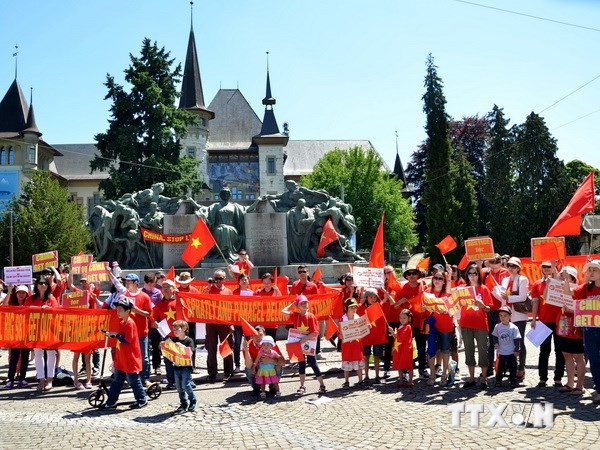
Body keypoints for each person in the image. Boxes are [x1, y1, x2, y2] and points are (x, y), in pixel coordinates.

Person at [100, 297, 148, 410]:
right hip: (122, 358)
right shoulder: (122, 322)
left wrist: (115, 335)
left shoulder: (130, 323)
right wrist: (113, 334)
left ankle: (142, 399)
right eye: (117, 309)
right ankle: (111, 402)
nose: (118, 312)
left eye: (120, 310)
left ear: (128, 311)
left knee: (133, 380)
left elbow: (127, 340)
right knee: (117, 380)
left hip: (130, 358)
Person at [561, 263, 595, 400]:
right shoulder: (579, 287)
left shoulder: (583, 287)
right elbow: (564, 293)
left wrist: (572, 311)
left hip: (579, 326)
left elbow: (583, 307)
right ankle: (570, 383)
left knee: (579, 356)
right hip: (565, 324)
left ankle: (580, 386)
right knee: (567, 354)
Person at [281, 295, 327, 395]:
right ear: (298, 305)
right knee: (301, 364)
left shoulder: (311, 316)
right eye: (302, 303)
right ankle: (302, 386)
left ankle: (322, 385)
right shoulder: (296, 315)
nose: (304, 305)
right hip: (299, 344)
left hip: (308, 343)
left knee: (313, 363)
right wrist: (292, 304)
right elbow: (283, 311)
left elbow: (315, 332)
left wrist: (303, 340)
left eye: (305, 302)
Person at [531, 260, 564, 387]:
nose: (546, 269)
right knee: (544, 351)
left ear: (553, 268)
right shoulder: (537, 284)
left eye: (549, 267)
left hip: (558, 321)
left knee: (559, 350)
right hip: (544, 321)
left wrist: (555, 278)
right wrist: (534, 319)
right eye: (544, 267)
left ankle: (558, 378)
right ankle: (543, 377)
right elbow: (535, 302)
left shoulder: (560, 282)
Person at [495, 257, 529, 382]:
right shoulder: (505, 279)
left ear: (518, 268)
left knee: (519, 342)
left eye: (514, 266)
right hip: (506, 314)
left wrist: (508, 298)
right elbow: (502, 296)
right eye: (509, 265)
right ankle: (509, 366)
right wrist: (497, 293)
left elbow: (523, 296)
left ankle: (521, 367)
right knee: (506, 341)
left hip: (518, 315)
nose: (511, 268)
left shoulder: (523, 279)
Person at [570, 260, 600, 404]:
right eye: (590, 270)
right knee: (594, 360)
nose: (592, 272)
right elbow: (567, 292)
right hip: (589, 330)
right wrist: (563, 277)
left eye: (595, 270)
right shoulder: (585, 289)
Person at [460, 264, 493, 390]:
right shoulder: (463, 288)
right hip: (466, 323)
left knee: (483, 351)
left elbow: (489, 308)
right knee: (469, 351)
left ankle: (484, 378)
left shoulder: (484, 289)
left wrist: (482, 305)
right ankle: (472, 378)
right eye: (470, 273)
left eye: (475, 273)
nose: (472, 276)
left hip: (480, 325)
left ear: (479, 275)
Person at [24, 277, 60, 392]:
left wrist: (49, 309)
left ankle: (49, 380)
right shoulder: (30, 299)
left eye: (45, 283)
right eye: (41, 283)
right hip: (35, 330)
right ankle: (41, 379)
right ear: (37, 285)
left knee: (51, 354)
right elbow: (25, 311)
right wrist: (36, 308)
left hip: (49, 330)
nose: (43, 285)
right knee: (38, 355)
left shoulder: (51, 298)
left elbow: (57, 312)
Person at [480, 254, 510, 377]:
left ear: (501, 264)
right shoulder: (485, 273)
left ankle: (504, 365)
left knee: (504, 338)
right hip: (489, 309)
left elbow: (509, 289)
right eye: (493, 267)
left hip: (502, 309)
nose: (495, 270)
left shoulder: (506, 273)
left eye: (497, 268)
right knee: (491, 339)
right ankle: (490, 366)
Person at [396, 266, 428, 379]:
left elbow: (428, 300)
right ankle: (405, 370)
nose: (412, 275)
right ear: (406, 276)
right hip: (407, 324)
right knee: (406, 347)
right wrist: (401, 301)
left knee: (421, 346)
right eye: (409, 274)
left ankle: (422, 369)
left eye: (414, 273)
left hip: (420, 321)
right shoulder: (403, 288)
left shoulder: (423, 286)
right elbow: (395, 305)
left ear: (418, 275)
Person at [122, 273, 153, 386]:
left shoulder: (144, 296)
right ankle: (130, 377)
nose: (127, 284)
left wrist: (136, 310)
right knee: (129, 355)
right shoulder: (123, 296)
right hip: (127, 332)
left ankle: (144, 378)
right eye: (126, 282)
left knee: (143, 356)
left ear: (136, 283)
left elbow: (149, 314)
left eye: (129, 282)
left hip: (141, 332)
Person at [205, 269, 234, 382]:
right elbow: (202, 299)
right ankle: (212, 373)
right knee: (211, 348)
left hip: (224, 323)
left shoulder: (228, 292)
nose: (218, 280)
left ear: (225, 279)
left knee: (227, 346)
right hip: (211, 323)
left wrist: (231, 324)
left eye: (220, 278)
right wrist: (208, 286)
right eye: (216, 278)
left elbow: (232, 309)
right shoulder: (209, 289)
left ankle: (228, 371)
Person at [426, 265, 453, 387]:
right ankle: (432, 374)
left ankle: (444, 375)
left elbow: (453, 307)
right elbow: (423, 308)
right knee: (431, 350)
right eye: (435, 277)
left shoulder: (447, 292)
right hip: (432, 326)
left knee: (445, 350)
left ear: (444, 281)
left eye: (440, 278)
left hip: (446, 325)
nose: (437, 280)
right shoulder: (427, 292)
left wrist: (448, 310)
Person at [242, 325, 285, 394]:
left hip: (271, 368)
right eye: (255, 335)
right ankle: (256, 387)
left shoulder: (271, 344)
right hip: (257, 369)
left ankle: (273, 386)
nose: (258, 337)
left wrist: (270, 361)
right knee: (248, 368)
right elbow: (248, 365)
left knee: (279, 366)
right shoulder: (247, 345)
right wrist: (246, 350)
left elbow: (282, 362)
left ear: (265, 335)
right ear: (251, 337)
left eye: (260, 335)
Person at [151, 279, 179, 386]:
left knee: (180, 359)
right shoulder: (158, 305)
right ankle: (171, 381)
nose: (166, 289)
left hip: (179, 335)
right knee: (168, 360)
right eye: (164, 287)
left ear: (173, 289)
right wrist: (156, 323)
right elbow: (155, 319)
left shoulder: (179, 301)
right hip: (167, 335)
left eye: (168, 286)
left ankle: (183, 380)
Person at [358, 288, 388, 384]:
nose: (373, 299)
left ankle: (377, 376)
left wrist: (385, 294)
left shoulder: (379, 306)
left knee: (376, 357)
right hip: (366, 337)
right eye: (371, 297)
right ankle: (366, 376)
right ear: (366, 298)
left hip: (377, 337)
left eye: (375, 297)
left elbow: (389, 303)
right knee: (366, 357)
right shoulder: (361, 308)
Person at [3, 285, 31, 389]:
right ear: (16, 294)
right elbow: (4, 306)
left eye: (23, 293)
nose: (21, 294)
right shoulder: (12, 304)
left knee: (24, 357)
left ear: (26, 294)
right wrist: (9, 290)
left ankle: (22, 378)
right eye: (19, 292)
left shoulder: (28, 303)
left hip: (26, 335)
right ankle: (11, 379)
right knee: (13, 358)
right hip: (14, 334)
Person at [168, 320, 197, 413]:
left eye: (177, 329)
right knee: (179, 387)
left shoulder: (189, 340)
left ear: (184, 329)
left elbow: (191, 352)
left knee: (186, 385)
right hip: (176, 367)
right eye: (174, 329)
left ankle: (193, 400)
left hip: (186, 367)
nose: (175, 331)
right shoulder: (174, 340)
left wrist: (182, 346)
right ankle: (183, 403)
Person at [340, 298, 368, 390]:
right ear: (347, 308)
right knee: (346, 364)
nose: (354, 309)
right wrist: (341, 335)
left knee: (359, 363)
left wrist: (367, 327)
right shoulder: (343, 319)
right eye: (351, 307)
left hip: (356, 345)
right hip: (347, 345)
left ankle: (360, 381)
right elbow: (339, 333)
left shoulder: (358, 317)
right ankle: (346, 381)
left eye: (355, 307)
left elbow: (362, 330)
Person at [492, 306, 521, 388]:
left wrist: (516, 349)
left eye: (505, 315)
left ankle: (512, 380)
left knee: (513, 367)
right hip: (501, 352)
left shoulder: (514, 327)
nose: (502, 318)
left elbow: (517, 339)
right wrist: (496, 343)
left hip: (511, 351)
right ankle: (498, 380)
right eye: (501, 315)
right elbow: (495, 336)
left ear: (510, 316)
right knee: (499, 367)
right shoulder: (497, 326)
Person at [232, 274, 254, 373]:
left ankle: (249, 363)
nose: (244, 281)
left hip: (248, 322)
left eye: (246, 279)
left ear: (248, 281)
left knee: (248, 344)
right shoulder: (234, 293)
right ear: (239, 282)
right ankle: (237, 365)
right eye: (242, 280)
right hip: (237, 322)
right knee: (237, 343)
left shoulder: (252, 293)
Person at [254, 273, 282, 341]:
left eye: (268, 282)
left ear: (272, 283)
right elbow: (253, 304)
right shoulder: (258, 292)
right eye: (264, 282)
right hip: (261, 322)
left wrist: (276, 294)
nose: (266, 284)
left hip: (272, 322)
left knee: (272, 342)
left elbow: (281, 304)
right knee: (261, 342)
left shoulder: (277, 292)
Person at [392, 309, 414, 388]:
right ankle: (401, 379)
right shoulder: (400, 327)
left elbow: (402, 337)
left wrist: (395, 333)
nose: (402, 320)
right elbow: (398, 337)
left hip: (406, 349)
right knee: (400, 364)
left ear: (409, 318)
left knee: (408, 365)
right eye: (401, 318)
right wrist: (394, 333)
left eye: (404, 318)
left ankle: (410, 380)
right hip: (400, 348)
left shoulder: (408, 327)